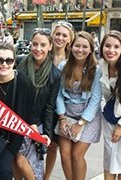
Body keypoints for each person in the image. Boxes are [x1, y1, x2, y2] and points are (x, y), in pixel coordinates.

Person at [0, 43, 50, 180]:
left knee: (5, 171)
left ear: (14, 62)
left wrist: (37, 136)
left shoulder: (23, 82)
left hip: (11, 139)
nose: (4, 64)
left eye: (9, 60)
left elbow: (32, 114)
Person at [14, 28, 61, 180]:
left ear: (50, 46)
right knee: (14, 162)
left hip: (36, 124)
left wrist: (45, 134)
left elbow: (49, 106)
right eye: (35, 44)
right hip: (14, 121)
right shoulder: (19, 62)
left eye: (43, 45)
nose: (38, 49)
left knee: (25, 163)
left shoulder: (54, 73)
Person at [56, 31, 102, 180]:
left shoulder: (96, 69)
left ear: (90, 49)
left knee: (76, 155)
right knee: (64, 154)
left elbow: (95, 100)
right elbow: (58, 94)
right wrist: (62, 118)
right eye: (77, 46)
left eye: (84, 47)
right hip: (67, 116)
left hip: (88, 118)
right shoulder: (63, 66)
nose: (80, 50)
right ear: (71, 46)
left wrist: (81, 123)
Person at [44, 21, 74, 180]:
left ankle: (46, 177)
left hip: (62, 109)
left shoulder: (72, 59)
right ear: (53, 35)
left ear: (70, 39)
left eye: (64, 35)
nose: (60, 38)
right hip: (43, 105)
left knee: (53, 147)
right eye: (58, 34)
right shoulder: (43, 54)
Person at [99, 30, 121, 180]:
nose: (111, 50)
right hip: (110, 117)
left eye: (116, 47)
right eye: (107, 46)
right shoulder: (102, 65)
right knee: (109, 160)